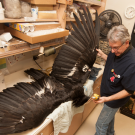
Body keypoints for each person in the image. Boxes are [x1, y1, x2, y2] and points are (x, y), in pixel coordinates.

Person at [94, 25, 135, 135]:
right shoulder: (116, 51)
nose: (112, 51)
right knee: (109, 120)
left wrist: (107, 99)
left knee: (100, 125)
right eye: (110, 47)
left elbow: (128, 91)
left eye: (115, 47)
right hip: (107, 95)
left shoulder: (132, 63)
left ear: (126, 43)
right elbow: (115, 66)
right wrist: (103, 55)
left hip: (114, 100)